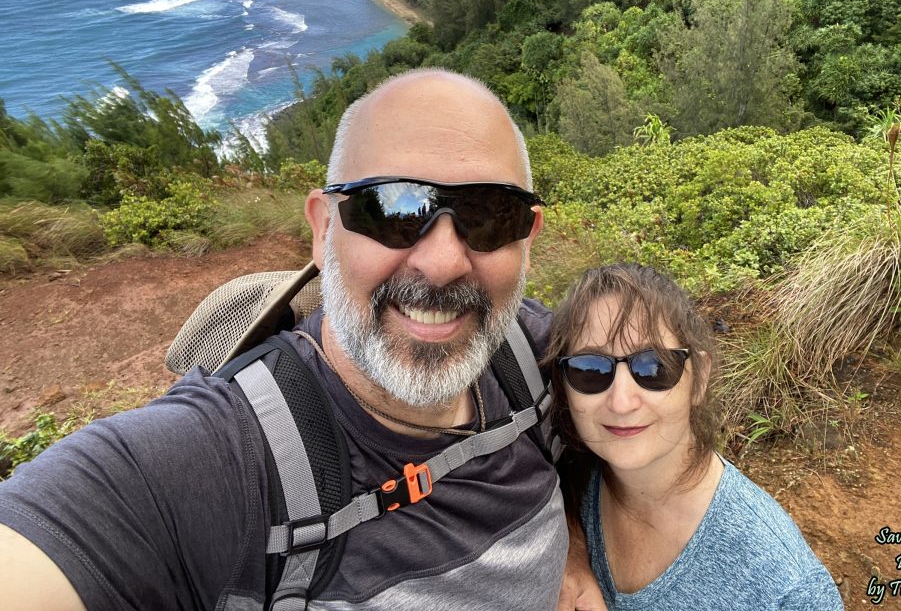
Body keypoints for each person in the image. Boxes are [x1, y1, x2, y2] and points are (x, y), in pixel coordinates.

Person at [0, 69, 605, 610]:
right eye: (392, 210)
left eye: (489, 215)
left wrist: (570, 539)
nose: (445, 262)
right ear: (323, 230)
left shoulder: (540, 355)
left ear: (526, 238)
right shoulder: (219, 460)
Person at [544, 264, 844, 610]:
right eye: (590, 370)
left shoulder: (783, 587)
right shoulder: (566, 472)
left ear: (698, 378)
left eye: (653, 367)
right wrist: (572, 550)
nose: (621, 401)